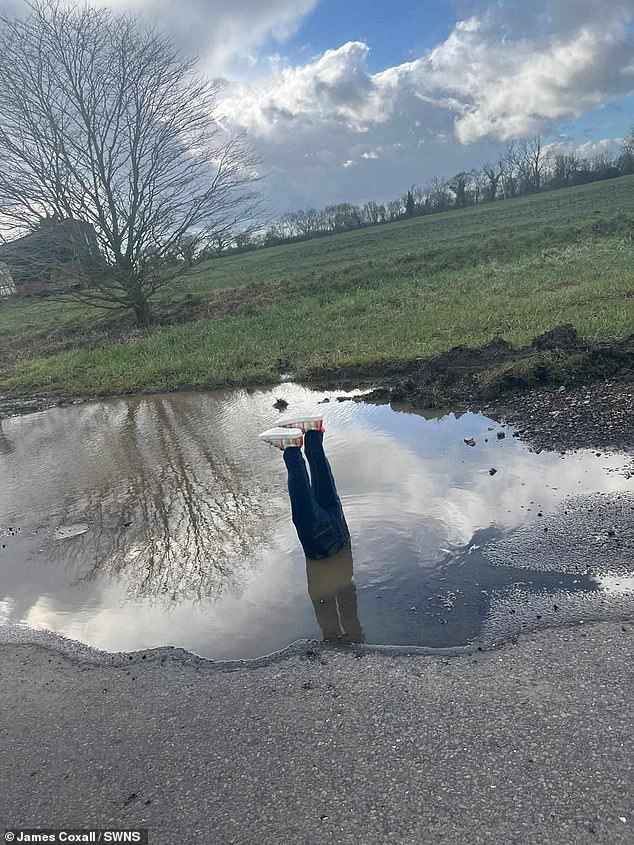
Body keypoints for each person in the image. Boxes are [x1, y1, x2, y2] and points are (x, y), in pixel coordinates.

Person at [258, 414, 350, 560]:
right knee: (301, 497)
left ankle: (313, 431)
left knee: (324, 482)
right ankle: (291, 448)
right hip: (322, 546)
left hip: (341, 528)